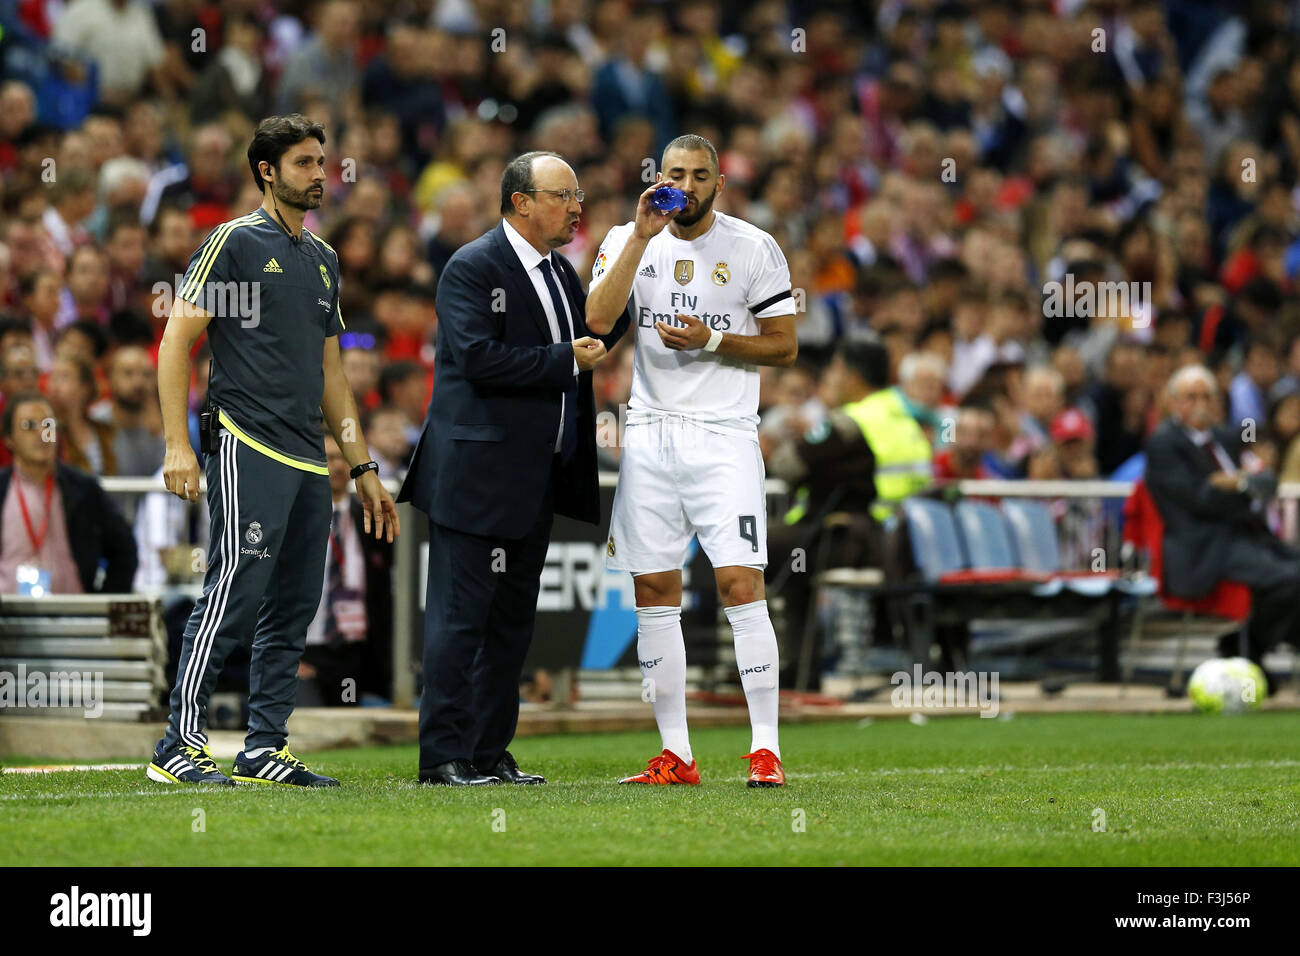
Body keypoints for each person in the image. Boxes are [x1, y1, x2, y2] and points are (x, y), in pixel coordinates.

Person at [147, 114, 399, 789]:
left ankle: (264, 746)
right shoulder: (231, 242)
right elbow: (176, 342)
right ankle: (179, 742)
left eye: (323, 162)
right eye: (306, 163)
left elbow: (333, 378)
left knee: (292, 604)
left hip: (310, 457)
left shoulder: (323, 260)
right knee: (232, 590)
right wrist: (179, 443)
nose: (321, 174)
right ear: (267, 171)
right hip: (245, 441)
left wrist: (365, 465)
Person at [398, 150, 627, 787]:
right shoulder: (472, 266)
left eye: (578, 195)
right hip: (475, 477)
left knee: (509, 627)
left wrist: (637, 244)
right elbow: (476, 359)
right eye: (563, 195)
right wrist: (564, 361)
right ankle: (442, 756)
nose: (576, 206)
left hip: (535, 477)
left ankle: (487, 751)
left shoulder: (560, 272)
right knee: (458, 621)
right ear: (520, 202)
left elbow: (599, 333)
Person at [586, 134, 797, 787]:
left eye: (699, 175)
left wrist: (711, 339)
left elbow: (784, 346)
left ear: (718, 184)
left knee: (741, 584)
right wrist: (641, 238)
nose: (687, 184)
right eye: (675, 173)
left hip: (724, 432)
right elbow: (596, 319)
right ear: (659, 178)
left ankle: (766, 750)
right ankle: (675, 753)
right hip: (649, 433)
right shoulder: (628, 238)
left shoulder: (753, 247)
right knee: (653, 589)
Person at [1145, 364, 1300, 671]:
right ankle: (1248, 646)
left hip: (1247, 537)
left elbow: (1268, 481)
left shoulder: (1228, 437)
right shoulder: (1164, 443)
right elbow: (1201, 500)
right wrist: (1242, 484)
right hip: (1205, 548)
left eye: (1207, 397)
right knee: (1291, 579)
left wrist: (1236, 483)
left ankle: (1247, 646)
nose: (1200, 405)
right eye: (1191, 397)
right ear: (1174, 402)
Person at [766, 341, 889, 691]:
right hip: (882, 536)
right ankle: (801, 667)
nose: (828, 382)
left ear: (851, 376)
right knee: (795, 569)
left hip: (846, 537)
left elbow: (785, 466)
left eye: (834, 372)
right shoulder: (895, 413)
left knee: (750, 546)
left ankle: (747, 661)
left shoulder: (845, 421)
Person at [0, 392, 137, 594]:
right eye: (29, 426)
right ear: (9, 438)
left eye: (48, 425)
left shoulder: (84, 488)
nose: (42, 433)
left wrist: (102, 603)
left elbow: (125, 549)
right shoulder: (3, 488)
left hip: (72, 615)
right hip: (8, 617)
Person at [299, 433, 393, 706]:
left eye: (342, 458)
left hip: (354, 653)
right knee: (305, 726)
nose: (338, 466)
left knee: (350, 731)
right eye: (329, 458)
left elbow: (383, 592)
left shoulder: (369, 518)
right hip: (305, 650)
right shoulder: (296, 518)